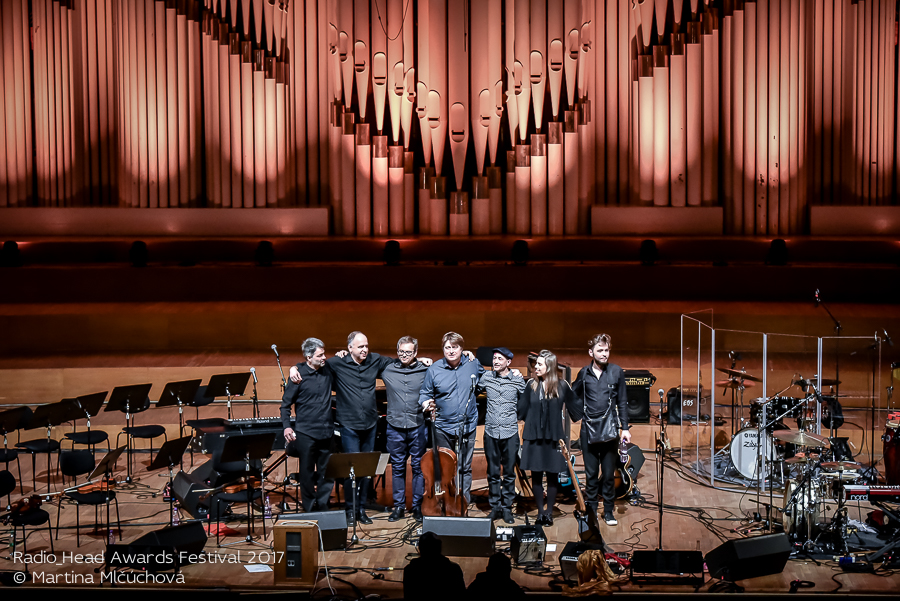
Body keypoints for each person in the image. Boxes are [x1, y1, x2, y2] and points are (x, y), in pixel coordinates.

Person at [290, 331, 392, 525]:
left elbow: (397, 362)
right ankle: (350, 510)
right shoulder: (336, 363)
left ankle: (362, 509)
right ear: (349, 348)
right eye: (360, 346)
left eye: (366, 346)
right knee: (350, 469)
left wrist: (420, 359)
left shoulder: (375, 360)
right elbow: (312, 363)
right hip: (349, 425)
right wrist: (293, 368)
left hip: (370, 424)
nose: (365, 350)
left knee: (367, 469)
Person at [569, 334, 630, 526]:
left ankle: (609, 512)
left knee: (609, 475)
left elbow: (622, 401)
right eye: (600, 350)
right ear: (591, 352)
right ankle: (593, 512)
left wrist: (625, 428)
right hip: (588, 430)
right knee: (591, 475)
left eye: (606, 350)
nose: (604, 354)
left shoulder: (616, 371)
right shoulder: (583, 373)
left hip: (610, 430)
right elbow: (572, 395)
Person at [419, 332, 484, 504]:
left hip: (467, 426)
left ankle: (463, 503)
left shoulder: (473, 364)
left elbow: (485, 380)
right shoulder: (434, 370)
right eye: (447, 347)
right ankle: (446, 503)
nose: (451, 351)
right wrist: (426, 404)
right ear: (443, 349)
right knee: (445, 468)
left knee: (464, 468)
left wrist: (511, 372)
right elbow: (425, 393)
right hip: (442, 428)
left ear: (462, 349)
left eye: (455, 347)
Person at [518, 350, 573, 526]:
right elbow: (521, 410)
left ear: (549, 366)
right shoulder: (530, 386)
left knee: (552, 476)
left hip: (553, 437)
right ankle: (540, 512)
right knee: (536, 475)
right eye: (536, 364)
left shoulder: (562, 385)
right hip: (534, 437)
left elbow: (576, 406)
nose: (536, 367)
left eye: (540, 364)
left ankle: (549, 512)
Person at [280, 337, 335, 512]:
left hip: (326, 431)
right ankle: (310, 508)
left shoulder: (327, 370)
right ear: (309, 357)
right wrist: (287, 426)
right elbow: (285, 405)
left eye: (324, 353)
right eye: (320, 355)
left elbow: (340, 361)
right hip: (306, 434)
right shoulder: (298, 376)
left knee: (327, 474)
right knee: (307, 473)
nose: (324, 357)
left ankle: (324, 506)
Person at [380, 335, 430, 522]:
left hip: (417, 425)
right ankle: (399, 507)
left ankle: (417, 506)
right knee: (398, 468)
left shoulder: (426, 369)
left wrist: (466, 354)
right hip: (395, 426)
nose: (404, 355)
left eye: (408, 352)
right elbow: (365, 361)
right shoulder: (387, 369)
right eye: (401, 352)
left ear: (416, 352)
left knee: (418, 468)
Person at [477, 347, 525, 524]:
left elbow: (527, 400)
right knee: (493, 472)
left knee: (509, 473)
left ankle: (507, 509)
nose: (495, 361)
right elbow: (474, 388)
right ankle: (495, 507)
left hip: (510, 432)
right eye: (494, 358)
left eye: (500, 359)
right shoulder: (487, 378)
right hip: (491, 432)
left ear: (509, 363)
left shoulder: (518, 380)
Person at [403, 531, 465, 601]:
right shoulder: (454, 569)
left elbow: (409, 597)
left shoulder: (410, 570)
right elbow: (461, 596)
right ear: (440, 548)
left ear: (420, 548)